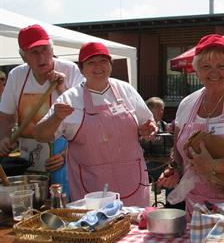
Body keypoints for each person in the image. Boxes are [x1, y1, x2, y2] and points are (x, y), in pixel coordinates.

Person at [157, 34, 224, 220]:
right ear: (196, 70)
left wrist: (213, 166)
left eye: (221, 66)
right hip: (198, 204)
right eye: (206, 67)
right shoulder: (186, 104)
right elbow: (177, 148)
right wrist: (175, 168)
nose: (214, 73)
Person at [34, 42, 157, 207]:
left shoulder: (126, 90)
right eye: (91, 62)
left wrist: (149, 129)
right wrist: (56, 117)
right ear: (82, 68)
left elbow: (147, 124)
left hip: (131, 179)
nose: (98, 67)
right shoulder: (69, 98)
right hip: (91, 187)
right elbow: (41, 135)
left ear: (110, 64)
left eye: (103, 61)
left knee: (135, 229)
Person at [0, 24, 83, 177]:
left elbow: (84, 118)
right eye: (34, 52)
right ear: (23, 56)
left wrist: (66, 154)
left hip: (65, 159)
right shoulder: (16, 75)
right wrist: (4, 138)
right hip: (29, 160)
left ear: (52, 50)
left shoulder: (70, 71)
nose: (41, 57)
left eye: (45, 49)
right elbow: (6, 117)